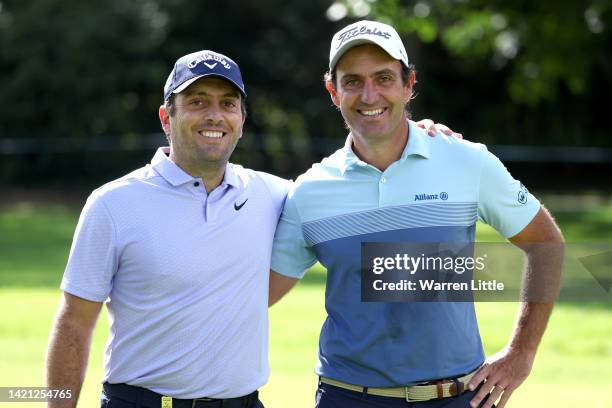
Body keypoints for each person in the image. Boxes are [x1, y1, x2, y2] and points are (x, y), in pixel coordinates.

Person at [45, 49, 458, 408]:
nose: (214, 115)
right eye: (197, 101)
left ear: (241, 118)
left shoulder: (276, 195)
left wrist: (411, 136)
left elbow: (347, 183)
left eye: (228, 103)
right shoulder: (112, 205)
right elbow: (74, 324)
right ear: (166, 117)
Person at [269, 20, 564, 408]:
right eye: (352, 81)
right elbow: (256, 295)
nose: (369, 94)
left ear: (409, 85)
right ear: (333, 91)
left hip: (457, 397)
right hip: (347, 398)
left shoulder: (466, 161)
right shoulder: (309, 192)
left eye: (384, 78)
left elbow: (545, 243)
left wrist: (520, 355)